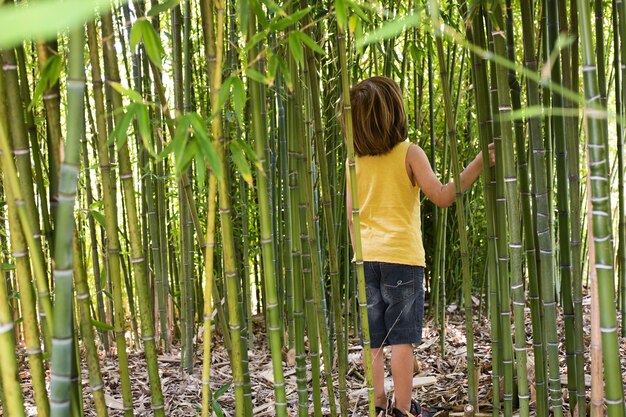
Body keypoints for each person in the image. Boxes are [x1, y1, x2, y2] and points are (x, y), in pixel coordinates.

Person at [341, 76, 495, 417]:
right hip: (402, 260)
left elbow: (351, 217)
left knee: (375, 340)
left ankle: (377, 403)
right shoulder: (410, 153)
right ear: (395, 113)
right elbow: (442, 196)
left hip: (365, 260)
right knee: (401, 339)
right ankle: (404, 409)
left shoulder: (354, 161)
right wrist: (479, 162)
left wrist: (359, 254)